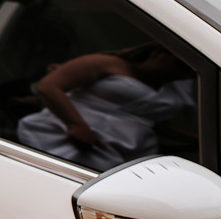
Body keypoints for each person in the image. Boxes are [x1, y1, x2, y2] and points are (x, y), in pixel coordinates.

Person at [16, 43, 196, 172]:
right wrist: (76, 125)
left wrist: (197, 141)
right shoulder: (107, 63)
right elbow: (48, 86)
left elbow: (157, 124)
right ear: (159, 53)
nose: (181, 74)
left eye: (190, 72)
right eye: (180, 65)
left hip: (123, 155)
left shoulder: (175, 90)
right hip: (69, 140)